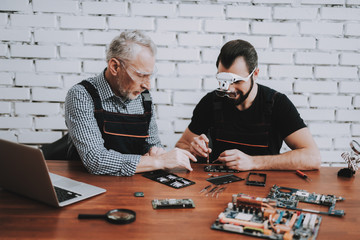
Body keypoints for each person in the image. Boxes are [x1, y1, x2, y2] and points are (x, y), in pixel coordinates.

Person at [65, 30, 196, 176]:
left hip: (133, 186)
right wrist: (158, 162)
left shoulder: (143, 97)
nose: (148, 85)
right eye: (141, 75)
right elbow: (95, 160)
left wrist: (156, 152)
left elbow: (153, 145)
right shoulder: (81, 95)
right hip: (90, 185)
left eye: (150, 76)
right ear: (115, 67)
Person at [176, 39, 321, 171]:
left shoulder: (277, 103)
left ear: (255, 73)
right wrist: (193, 150)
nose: (229, 89)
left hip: (264, 187)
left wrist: (253, 162)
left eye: (237, 81)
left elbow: (312, 157)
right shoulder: (211, 102)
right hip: (219, 184)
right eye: (224, 81)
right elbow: (180, 147)